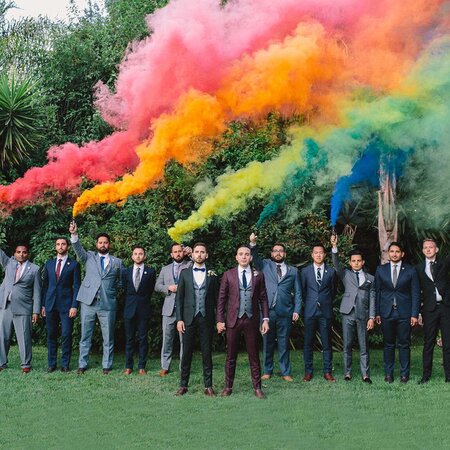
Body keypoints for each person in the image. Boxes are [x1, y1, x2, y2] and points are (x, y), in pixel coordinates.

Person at [69, 221, 123, 374]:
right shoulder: (89, 257)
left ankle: (107, 365)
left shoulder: (117, 262)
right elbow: (78, 249)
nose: (103, 245)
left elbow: (121, 282)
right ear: (96, 244)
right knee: (85, 335)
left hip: (107, 304)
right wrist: (74, 234)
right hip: (88, 302)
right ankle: (82, 364)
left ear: (109, 245)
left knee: (108, 337)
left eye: (105, 242)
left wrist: (111, 291)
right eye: (100, 242)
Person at [216, 245, 269, 398]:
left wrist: (265, 319)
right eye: (241, 254)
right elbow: (221, 299)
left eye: (247, 254)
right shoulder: (228, 275)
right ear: (236, 257)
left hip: (251, 320)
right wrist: (220, 320)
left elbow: (263, 298)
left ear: (251, 257)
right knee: (230, 355)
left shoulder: (259, 275)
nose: (244, 256)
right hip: (233, 320)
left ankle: (257, 388)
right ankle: (228, 387)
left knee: (254, 355)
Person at [249, 232, 300, 382]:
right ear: (271, 254)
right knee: (267, 342)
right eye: (275, 251)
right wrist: (252, 244)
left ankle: (286, 372)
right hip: (267, 312)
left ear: (285, 254)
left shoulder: (293, 271)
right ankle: (267, 370)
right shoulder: (265, 265)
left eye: (281, 251)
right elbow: (254, 258)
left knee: (284, 343)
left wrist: (297, 310)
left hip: (285, 312)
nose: (278, 253)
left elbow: (298, 292)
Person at [175, 243, 219, 396]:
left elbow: (217, 299)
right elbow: (179, 298)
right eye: (197, 252)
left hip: (206, 318)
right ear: (192, 254)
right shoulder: (185, 273)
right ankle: (183, 385)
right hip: (188, 318)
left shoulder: (213, 274)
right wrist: (179, 319)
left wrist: (219, 319)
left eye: (202, 252)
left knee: (206, 353)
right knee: (186, 352)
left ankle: (208, 386)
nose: (199, 254)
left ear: (206, 255)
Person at [330, 235, 375, 383]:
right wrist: (334, 247)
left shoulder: (370, 278)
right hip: (347, 312)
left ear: (363, 262)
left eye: (358, 261)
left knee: (364, 345)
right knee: (347, 344)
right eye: (353, 261)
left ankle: (365, 374)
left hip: (363, 314)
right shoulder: (345, 274)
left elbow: (372, 298)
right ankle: (347, 373)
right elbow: (336, 264)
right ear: (350, 262)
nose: (356, 263)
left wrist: (372, 317)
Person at [375, 242, 420, 383]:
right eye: (392, 251)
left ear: (402, 254)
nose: (394, 254)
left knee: (404, 344)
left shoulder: (411, 270)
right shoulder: (381, 270)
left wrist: (414, 314)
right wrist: (377, 313)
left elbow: (415, 293)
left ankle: (404, 374)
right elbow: (377, 292)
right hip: (386, 313)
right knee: (388, 344)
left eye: (397, 251)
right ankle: (388, 374)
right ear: (388, 253)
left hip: (404, 313)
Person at [0, 243, 41, 372]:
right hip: (6, 306)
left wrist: (36, 311)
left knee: (24, 337)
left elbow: (37, 292)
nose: (21, 254)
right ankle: (1, 363)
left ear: (28, 254)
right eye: (18, 252)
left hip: (24, 307)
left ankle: (25, 365)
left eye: (24, 252)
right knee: (3, 336)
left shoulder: (34, 269)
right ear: (14, 254)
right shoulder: (9, 263)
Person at [42, 237, 81, 372]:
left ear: (67, 246)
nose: (60, 246)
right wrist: (43, 305)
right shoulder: (49, 264)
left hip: (67, 305)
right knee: (51, 334)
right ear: (55, 247)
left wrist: (74, 305)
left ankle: (65, 364)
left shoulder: (74, 264)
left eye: (63, 244)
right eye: (58, 244)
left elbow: (76, 286)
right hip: (50, 304)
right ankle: (51, 364)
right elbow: (45, 286)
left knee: (66, 334)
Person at [300, 243, 337, 382]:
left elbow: (333, 291)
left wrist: (324, 301)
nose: (318, 255)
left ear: (325, 255)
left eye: (321, 252)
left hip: (325, 312)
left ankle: (327, 372)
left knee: (326, 343)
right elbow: (303, 292)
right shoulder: (305, 271)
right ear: (312, 255)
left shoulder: (331, 272)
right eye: (316, 252)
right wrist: (312, 302)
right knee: (308, 343)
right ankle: (308, 372)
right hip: (310, 311)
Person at [155, 243, 192, 377]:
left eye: (180, 251)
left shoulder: (189, 265)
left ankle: (183, 367)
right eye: (175, 252)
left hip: (184, 309)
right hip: (168, 310)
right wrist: (168, 288)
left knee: (184, 340)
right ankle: (165, 366)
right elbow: (157, 286)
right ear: (171, 254)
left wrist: (191, 254)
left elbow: (199, 264)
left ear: (183, 253)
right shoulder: (165, 269)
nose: (177, 253)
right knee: (167, 339)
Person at [417, 239, 450, 384]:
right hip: (429, 310)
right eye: (425, 247)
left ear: (436, 249)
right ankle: (426, 375)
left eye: (431, 247)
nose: (428, 249)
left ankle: (449, 375)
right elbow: (417, 291)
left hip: (445, 307)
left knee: (448, 343)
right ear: (423, 250)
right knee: (428, 343)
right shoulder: (418, 268)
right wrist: (418, 312)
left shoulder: (444, 263)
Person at [122, 246, 156, 375]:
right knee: (129, 338)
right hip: (129, 309)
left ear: (144, 256)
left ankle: (142, 366)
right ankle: (128, 366)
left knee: (143, 338)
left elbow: (150, 290)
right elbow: (125, 289)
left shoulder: (150, 272)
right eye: (135, 254)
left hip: (143, 309)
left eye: (140, 254)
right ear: (132, 256)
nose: (138, 256)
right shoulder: (126, 272)